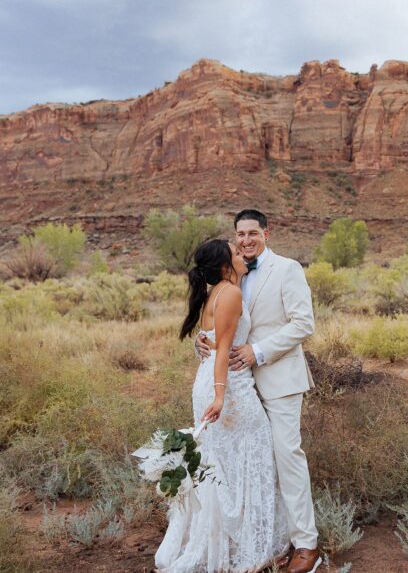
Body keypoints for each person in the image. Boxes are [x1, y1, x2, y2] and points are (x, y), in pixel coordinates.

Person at [196, 210, 321, 573]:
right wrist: (203, 346)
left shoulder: (287, 269)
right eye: (240, 234)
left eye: (253, 233)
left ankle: (306, 545)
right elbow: (222, 328)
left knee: (287, 457)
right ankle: (266, 538)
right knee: (251, 464)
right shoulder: (232, 275)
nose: (247, 240)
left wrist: (258, 351)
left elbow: (303, 323)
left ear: (267, 232)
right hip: (240, 389)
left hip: (278, 379)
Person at [154, 239, 289, 573]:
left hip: (213, 381)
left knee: (224, 465)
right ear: (225, 263)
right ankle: (252, 548)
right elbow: (224, 350)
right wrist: (219, 396)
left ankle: (229, 543)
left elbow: (214, 343)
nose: (240, 250)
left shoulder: (218, 291)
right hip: (228, 389)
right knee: (254, 455)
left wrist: (210, 360)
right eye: (234, 249)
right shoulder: (230, 294)